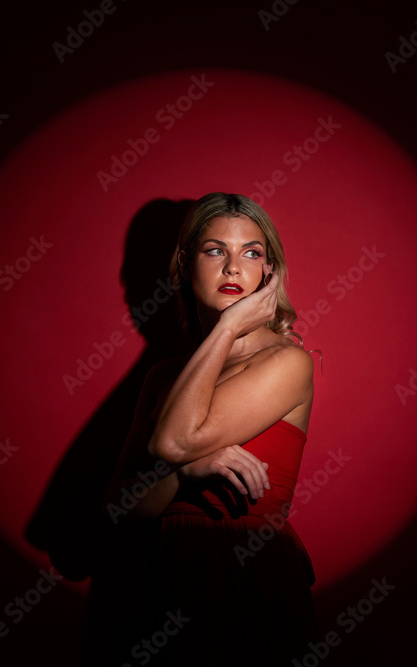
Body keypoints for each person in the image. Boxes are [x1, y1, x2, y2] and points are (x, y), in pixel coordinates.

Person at [101, 192, 319, 666]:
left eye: (252, 253)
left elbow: (171, 441)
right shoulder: (163, 376)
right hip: (160, 582)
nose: (233, 268)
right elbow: (117, 508)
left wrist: (225, 329)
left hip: (246, 578)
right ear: (185, 263)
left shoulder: (287, 362)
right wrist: (183, 475)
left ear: (269, 272)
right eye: (215, 250)